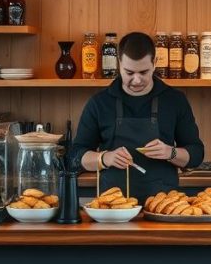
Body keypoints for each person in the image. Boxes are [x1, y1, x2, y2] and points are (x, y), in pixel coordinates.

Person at [72, 31, 204, 202]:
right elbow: (75, 156)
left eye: (143, 72)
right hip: (112, 207)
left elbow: (196, 154)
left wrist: (171, 153)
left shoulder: (175, 101)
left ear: (155, 63)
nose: (136, 80)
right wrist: (104, 158)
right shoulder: (100, 103)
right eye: (129, 72)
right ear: (119, 64)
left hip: (163, 206)